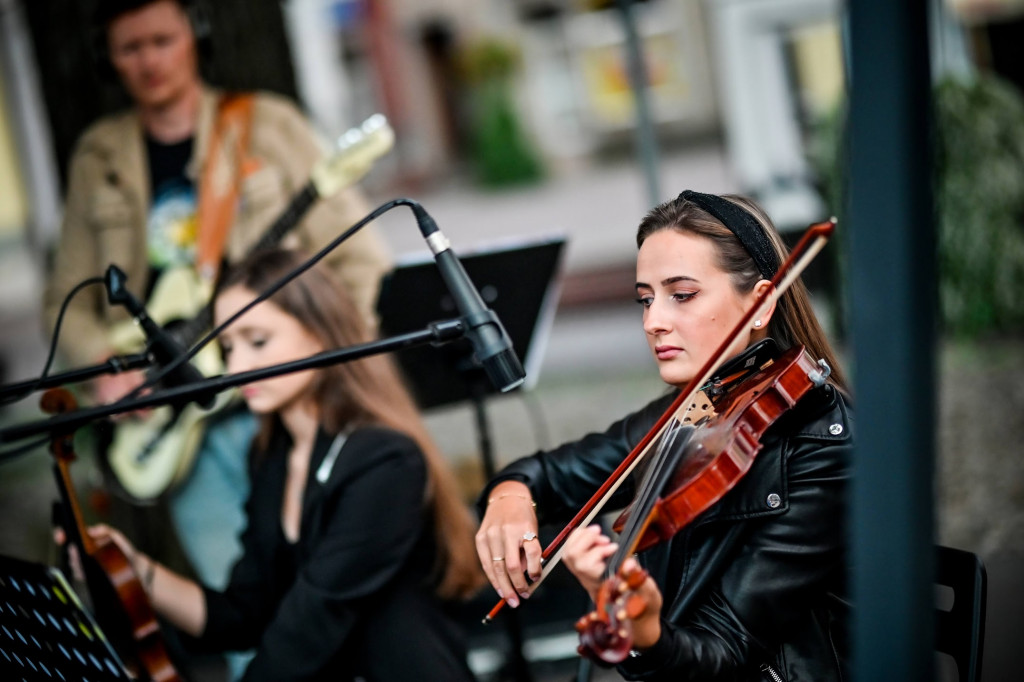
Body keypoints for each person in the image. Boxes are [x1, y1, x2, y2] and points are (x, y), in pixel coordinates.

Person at [41, 0, 391, 603]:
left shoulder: (267, 124)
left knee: (339, 593)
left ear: (195, 36)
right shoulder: (98, 154)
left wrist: (329, 365)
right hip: (178, 422)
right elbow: (63, 301)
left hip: (283, 397)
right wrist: (105, 371)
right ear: (108, 59)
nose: (149, 60)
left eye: (162, 39)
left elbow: (363, 261)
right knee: (240, 608)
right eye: (130, 47)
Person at [476, 190, 852, 681]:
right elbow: (553, 473)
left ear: (760, 303)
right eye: (646, 299)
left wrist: (645, 632)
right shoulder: (696, 408)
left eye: (683, 294)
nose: (653, 322)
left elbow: (723, 652)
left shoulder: (820, 447)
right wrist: (509, 494)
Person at [78, 247, 483, 681]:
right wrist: (133, 569)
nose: (237, 367)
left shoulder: (386, 460)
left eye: (257, 341)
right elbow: (243, 616)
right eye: (227, 347)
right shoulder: (272, 456)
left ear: (319, 333)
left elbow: (312, 623)